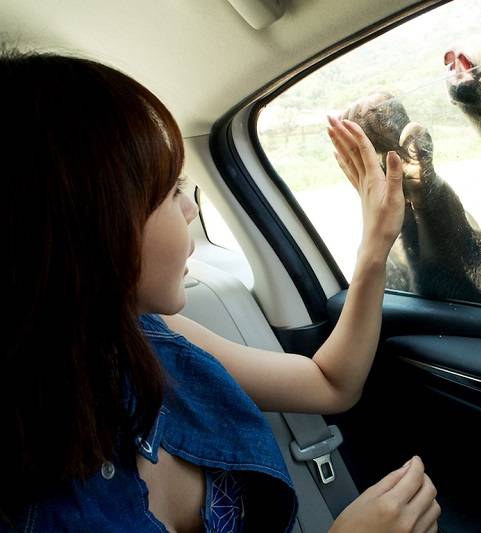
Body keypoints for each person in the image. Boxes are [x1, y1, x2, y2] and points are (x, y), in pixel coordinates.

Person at [1, 48, 440, 532]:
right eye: (169, 192)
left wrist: (375, 246)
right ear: (89, 228)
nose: (190, 209)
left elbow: (331, 383)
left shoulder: (148, 338)